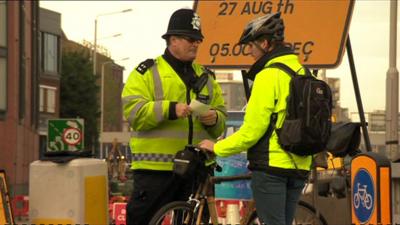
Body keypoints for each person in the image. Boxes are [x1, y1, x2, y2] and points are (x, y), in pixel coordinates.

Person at [199, 12, 312, 225]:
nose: (249, 51)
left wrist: (218, 148)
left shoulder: (268, 75)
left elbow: (252, 131)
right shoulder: (303, 72)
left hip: (271, 169)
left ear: (265, 43)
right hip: (300, 166)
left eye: (251, 45)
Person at [121, 8, 227, 225]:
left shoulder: (206, 77)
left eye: (198, 39)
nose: (196, 44)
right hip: (156, 170)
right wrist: (170, 109)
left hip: (196, 169)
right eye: (190, 39)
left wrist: (215, 119)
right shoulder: (147, 73)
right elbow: (133, 113)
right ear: (173, 40)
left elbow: (221, 118)